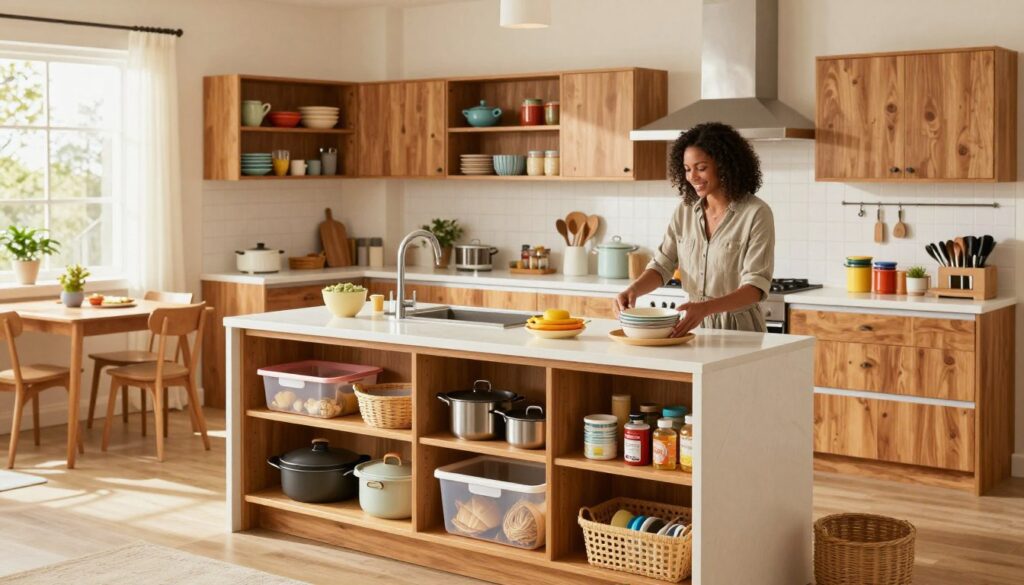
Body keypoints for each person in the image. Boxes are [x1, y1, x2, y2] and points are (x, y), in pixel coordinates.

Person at [615, 122, 774, 337]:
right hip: (692, 327)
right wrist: (633, 290)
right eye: (687, 169)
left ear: (724, 165)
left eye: (701, 168)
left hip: (740, 331)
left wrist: (706, 308)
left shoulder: (756, 213)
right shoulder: (685, 211)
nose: (692, 177)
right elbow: (662, 265)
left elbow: (756, 287)